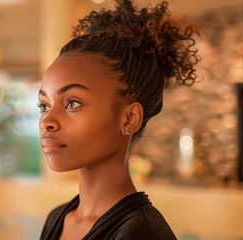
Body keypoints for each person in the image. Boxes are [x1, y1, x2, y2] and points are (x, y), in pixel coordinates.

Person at [38, 0, 200, 239]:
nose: (46, 122)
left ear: (130, 118)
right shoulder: (57, 218)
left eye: (72, 103)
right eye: (44, 105)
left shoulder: (142, 233)